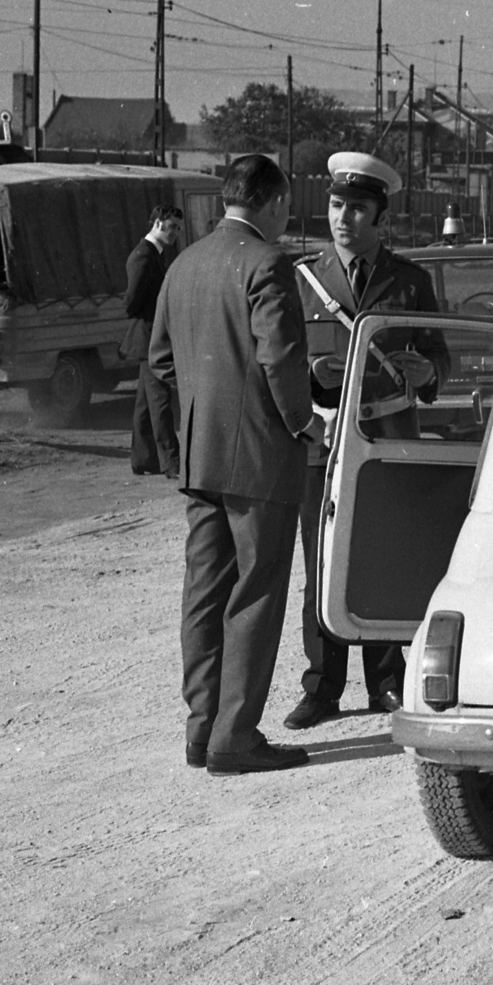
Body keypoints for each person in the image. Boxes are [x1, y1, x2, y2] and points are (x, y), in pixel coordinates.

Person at [148, 155, 321, 775]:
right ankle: (236, 737)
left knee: (203, 593)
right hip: (260, 457)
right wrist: (305, 423)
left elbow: (161, 364)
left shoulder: (184, 264)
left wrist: (186, 433)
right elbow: (281, 359)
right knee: (256, 591)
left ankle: (201, 732)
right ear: (273, 203)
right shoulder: (268, 262)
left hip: (202, 457)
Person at [283, 152, 448, 731]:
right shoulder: (302, 279)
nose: (343, 217)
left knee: (386, 553)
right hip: (325, 439)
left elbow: (439, 355)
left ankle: (385, 679)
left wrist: (427, 373)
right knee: (321, 557)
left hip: (389, 437)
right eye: (335, 205)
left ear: (381, 218)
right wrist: (311, 377)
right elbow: (280, 363)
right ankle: (322, 686)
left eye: (357, 208)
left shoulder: (411, 281)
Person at [122, 203, 183, 476]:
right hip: (149, 340)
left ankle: (143, 460)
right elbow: (131, 303)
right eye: (171, 227)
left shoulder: (153, 254)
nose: (175, 234)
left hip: (151, 339)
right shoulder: (144, 256)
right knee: (160, 403)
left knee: (146, 404)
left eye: (179, 229)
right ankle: (172, 464)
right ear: (157, 223)